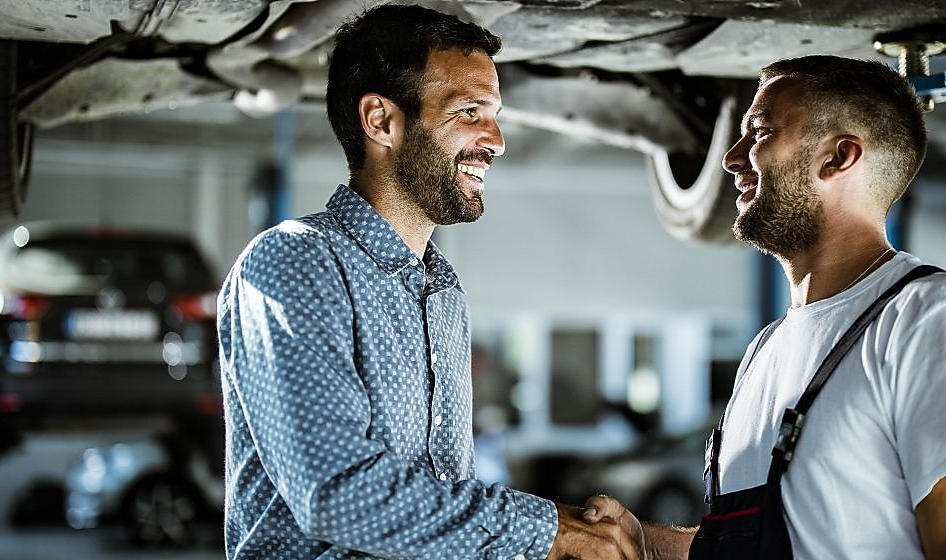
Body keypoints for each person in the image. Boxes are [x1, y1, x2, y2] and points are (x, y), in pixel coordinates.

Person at [216, 5, 642, 559]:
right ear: (381, 121)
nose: (496, 140)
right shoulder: (297, 261)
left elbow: (438, 509)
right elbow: (337, 494)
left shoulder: (442, 291)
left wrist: (575, 531)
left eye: (494, 114)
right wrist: (549, 532)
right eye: (469, 111)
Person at [585, 55, 946, 559]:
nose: (730, 158)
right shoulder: (766, 348)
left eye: (758, 132)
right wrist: (641, 544)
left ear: (838, 157)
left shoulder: (933, 319)